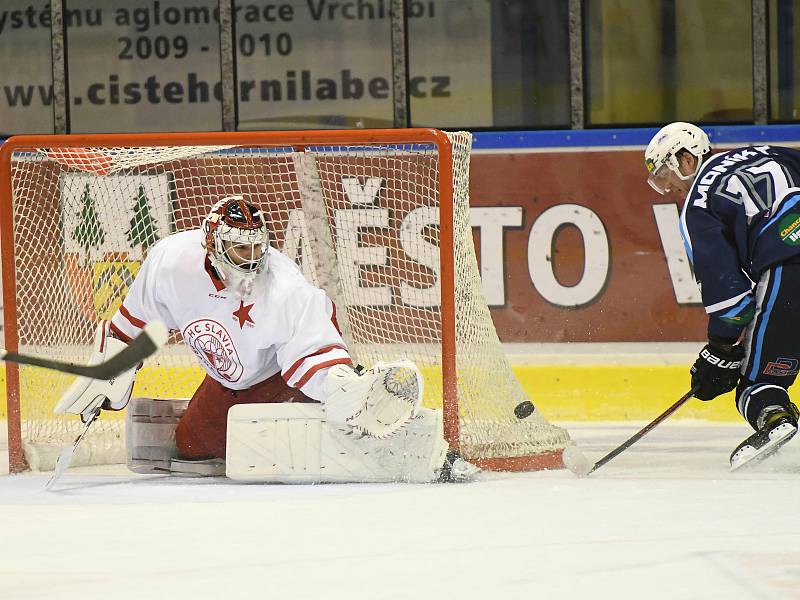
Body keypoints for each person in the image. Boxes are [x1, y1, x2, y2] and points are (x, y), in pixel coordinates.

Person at [55, 195, 471, 482]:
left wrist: (341, 389)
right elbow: (134, 321)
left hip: (281, 376)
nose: (251, 259)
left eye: (256, 248)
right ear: (212, 245)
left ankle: (417, 440)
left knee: (336, 418)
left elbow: (312, 353)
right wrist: (113, 366)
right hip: (230, 382)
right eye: (238, 250)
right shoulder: (169, 262)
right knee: (191, 444)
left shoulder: (283, 286)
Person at [645, 122, 800, 469]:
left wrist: (719, 352)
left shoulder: (698, 202)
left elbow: (732, 301)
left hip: (791, 262)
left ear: (687, 159)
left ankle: (775, 419)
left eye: (666, 174)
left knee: (758, 385)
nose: (669, 188)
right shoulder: (770, 152)